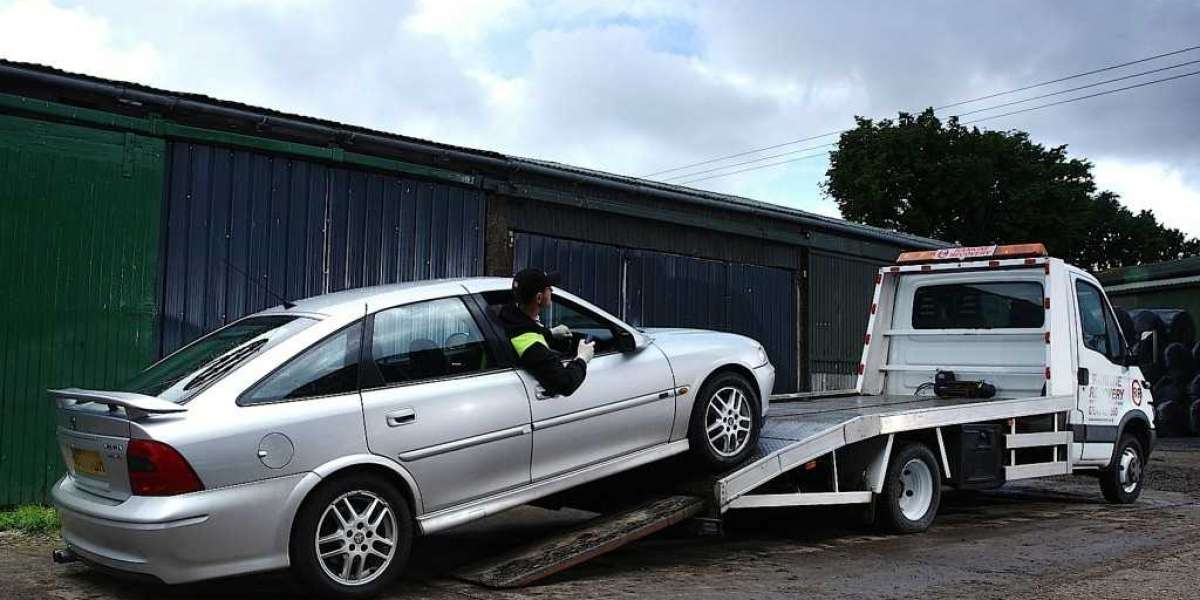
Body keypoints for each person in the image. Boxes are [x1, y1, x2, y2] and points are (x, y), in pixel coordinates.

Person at [496, 269, 595, 396]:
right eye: (548, 288)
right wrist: (582, 358)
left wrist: (549, 333)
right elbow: (565, 384)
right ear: (539, 297)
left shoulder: (507, 314)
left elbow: (527, 328)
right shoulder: (531, 345)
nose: (552, 291)